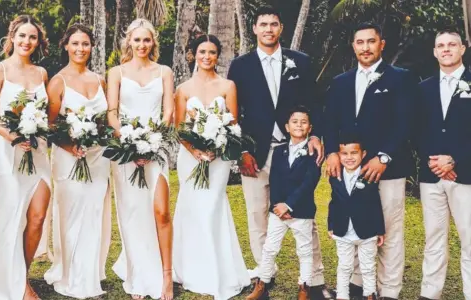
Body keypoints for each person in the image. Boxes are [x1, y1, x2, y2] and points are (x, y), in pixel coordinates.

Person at [227, 6, 330, 299]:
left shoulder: (301, 62)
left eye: (274, 23)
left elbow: (315, 102)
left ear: (281, 28)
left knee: (303, 215)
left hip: (295, 151)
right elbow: (235, 113)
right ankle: (264, 276)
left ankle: (313, 279)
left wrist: (317, 135)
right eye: (263, 24)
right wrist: (242, 150)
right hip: (256, 153)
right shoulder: (240, 65)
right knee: (257, 214)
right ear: (255, 29)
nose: (269, 29)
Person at [323, 22, 416, 300]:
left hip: (387, 169)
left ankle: (388, 290)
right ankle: (357, 284)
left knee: (387, 231)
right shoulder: (341, 82)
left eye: (371, 41)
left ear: (382, 44)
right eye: (360, 42)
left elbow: (406, 123)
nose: (365, 47)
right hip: (350, 169)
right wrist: (331, 153)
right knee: (353, 225)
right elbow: (330, 121)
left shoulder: (401, 78)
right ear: (353, 46)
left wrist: (384, 157)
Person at [0, 15, 51, 300]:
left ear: (38, 42)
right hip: (7, 151)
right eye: (22, 36)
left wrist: (36, 131)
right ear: (12, 38)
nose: (26, 42)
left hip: (38, 150)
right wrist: (13, 136)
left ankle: (22, 276)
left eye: (32, 37)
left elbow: (45, 113)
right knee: (8, 215)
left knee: (38, 215)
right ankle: (16, 283)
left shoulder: (41, 73)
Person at [172, 34, 250, 299]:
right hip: (190, 159)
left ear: (218, 55)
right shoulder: (182, 89)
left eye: (212, 52)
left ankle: (218, 270)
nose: (207, 56)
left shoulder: (228, 85)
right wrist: (195, 151)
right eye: (202, 51)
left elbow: (232, 124)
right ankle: (189, 268)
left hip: (218, 159)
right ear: (193, 54)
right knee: (192, 208)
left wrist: (215, 149)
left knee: (213, 207)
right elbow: (180, 129)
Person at [106, 18, 174, 300]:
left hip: (156, 149)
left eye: (147, 40)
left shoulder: (164, 71)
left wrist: (152, 141)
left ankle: (167, 276)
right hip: (126, 152)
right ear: (129, 43)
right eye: (137, 40)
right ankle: (140, 276)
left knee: (161, 211)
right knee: (133, 214)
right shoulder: (117, 72)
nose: (142, 45)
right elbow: (111, 112)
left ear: (153, 43)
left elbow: (168, 112)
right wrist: (130, 142)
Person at [43, 24, 112, 299]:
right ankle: (70, 274)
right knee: (70, 214)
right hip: (68, 156)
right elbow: (49, 125)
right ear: (66, 46)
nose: (80, 49)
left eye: (85, 44)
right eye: (75, 44)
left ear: (91, 47)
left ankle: (90, 273)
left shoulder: (100, 80)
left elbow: (106, 121)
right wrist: (70, 146)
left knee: (94, 212)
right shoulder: (58, 82)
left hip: (97, 157)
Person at [415, 30, 471, 300]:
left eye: (452, 44)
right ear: (434, 51)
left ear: (463, 49)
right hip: (432, 175)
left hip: (466, 175)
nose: (446, 49)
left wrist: (456, 159)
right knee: (434, 238)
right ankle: (430, 293)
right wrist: (434, 159)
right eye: (440, 45)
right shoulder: (423, 88)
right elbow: (416, 129)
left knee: (470, 239)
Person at [247, 105, 321, 300]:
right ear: (287, 127)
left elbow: (309, 182)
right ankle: (262, 284)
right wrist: (278, 206)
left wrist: (289, 205)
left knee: (304, 251)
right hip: (277, 212)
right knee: (270, 248)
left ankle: (304, 287)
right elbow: (275, 180)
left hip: (301, 211)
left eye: (303, 122)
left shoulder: (314, 152)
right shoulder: (279, 151)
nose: (299, 125)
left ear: (310, 127)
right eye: (295, 122)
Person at [328, 133, 385, 300]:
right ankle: (342, 296)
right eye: (344, 153)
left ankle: (369, 295)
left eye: (354, 153)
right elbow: (333, 202)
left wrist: (379, 230)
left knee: (368, 267)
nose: (349, 157)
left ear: (363, 154)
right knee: (344, 266)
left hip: (367, 230)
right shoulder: (335, 176)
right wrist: (331, 224)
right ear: (339, 155)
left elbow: (376, 203)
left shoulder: (369, 176)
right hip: (343, 230)